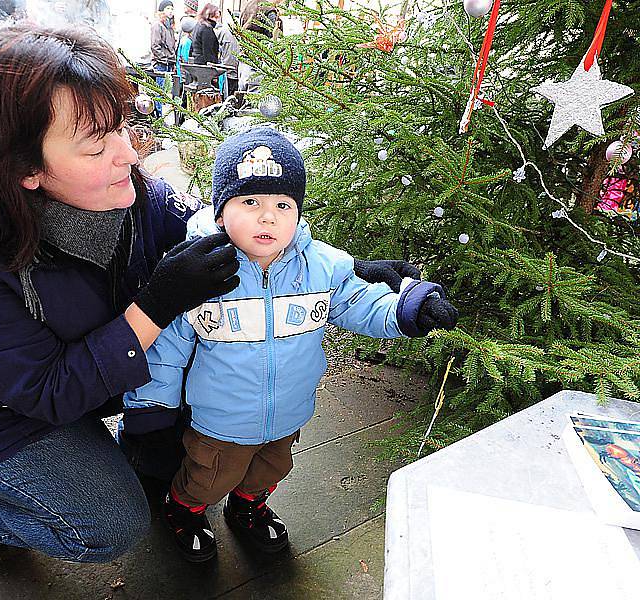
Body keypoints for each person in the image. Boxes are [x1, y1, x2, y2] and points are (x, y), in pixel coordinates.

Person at [0, 22, 423, 565]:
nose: (128, 153)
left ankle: (78, 462)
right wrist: (158, 303)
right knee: (109, 527)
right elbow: (46, 391)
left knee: (177, 458)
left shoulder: (137, 195)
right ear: (22, 168)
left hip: (95, 370)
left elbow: (221, 242)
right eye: (97, 145)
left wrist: (345, 270)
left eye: (122, 126)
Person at [124, 127, 459, 562]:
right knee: (207, 477)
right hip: (218, 421)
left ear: (298, 213)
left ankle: (249, 508)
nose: (268, 217)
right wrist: (151, 408)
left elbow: (358, 300)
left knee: (270, 468)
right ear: (220, 213)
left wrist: (406, 311)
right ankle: (184, 511)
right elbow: (165, 349)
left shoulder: (320, 267)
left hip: (288, 412)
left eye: (282, 205)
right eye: (251, 203)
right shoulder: (200, 273)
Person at [150, 0, 175, 118]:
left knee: (165, 92)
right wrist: (164, 59)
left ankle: (161, 116)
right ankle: (158, 116)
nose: (170, 11)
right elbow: (155, 46)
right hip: (161, 64)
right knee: (159, 92)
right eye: (168, 8)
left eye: (171, 8)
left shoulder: (169, 26)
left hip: (169, 63)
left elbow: (171, 46)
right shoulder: (157, 25)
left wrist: (172, 60)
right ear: (162, 11)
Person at [189, 2, 219, 66]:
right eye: (215, 17)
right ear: (209, 16)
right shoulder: (207, 29)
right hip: (204, 66)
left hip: (197, 62)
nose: (216, 20)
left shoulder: (198, 25)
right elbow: (208, 52)